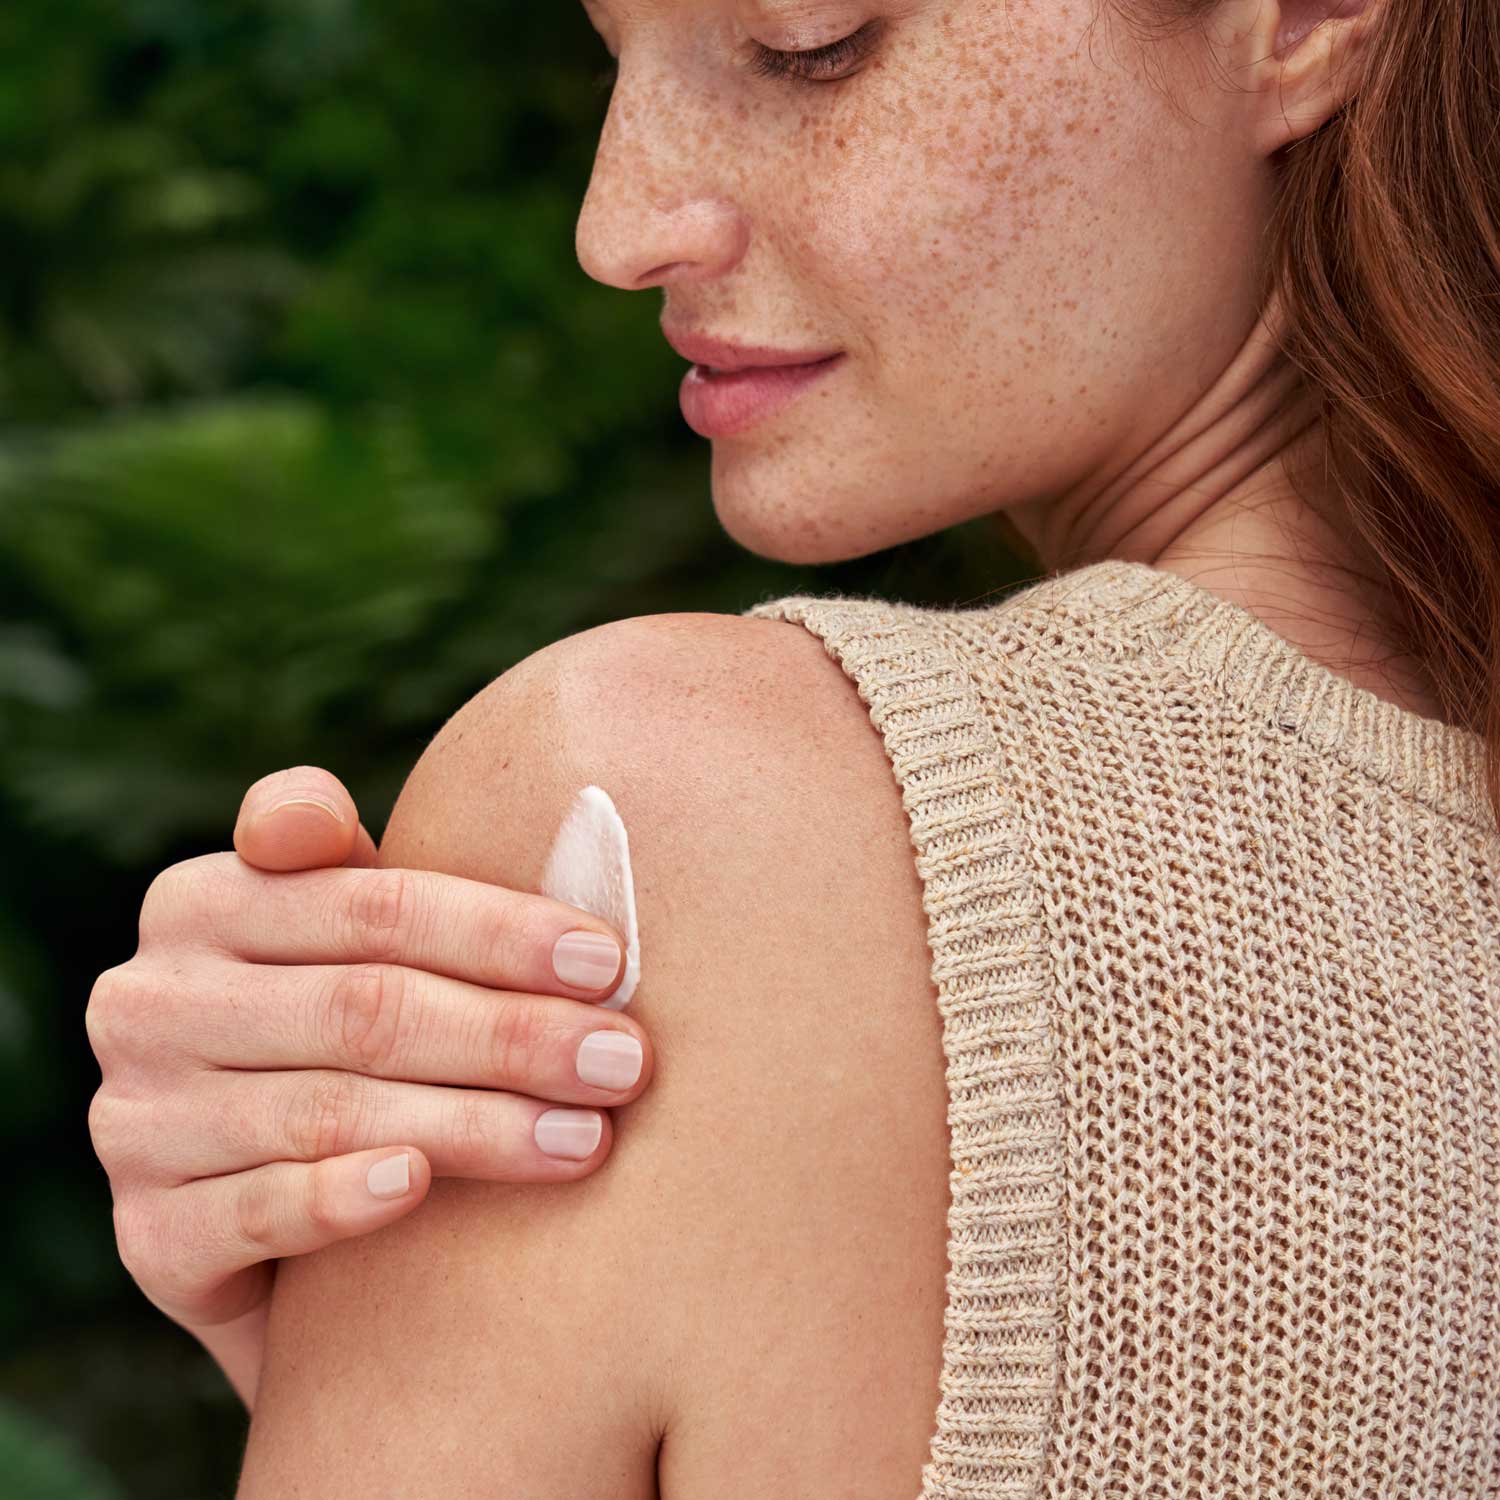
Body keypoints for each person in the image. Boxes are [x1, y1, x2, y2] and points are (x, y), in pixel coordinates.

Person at [85, 0, 1500, 1495]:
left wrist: (403, 1360)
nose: (616, 227)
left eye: (805, 45)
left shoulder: (684, 816)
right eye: (608, 51)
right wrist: (370, 1350)